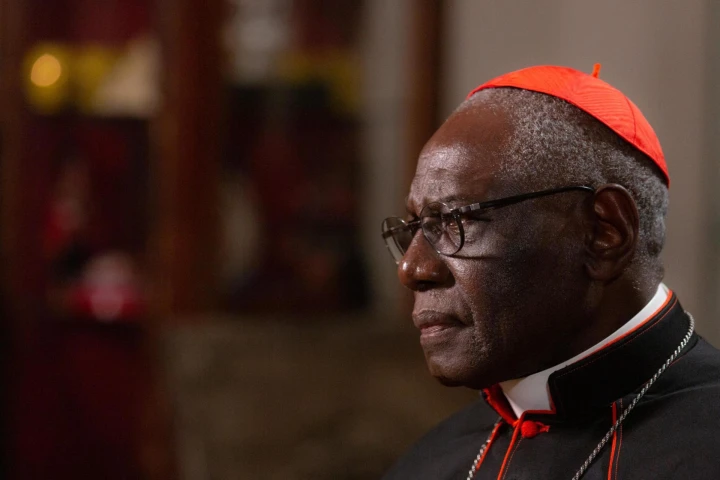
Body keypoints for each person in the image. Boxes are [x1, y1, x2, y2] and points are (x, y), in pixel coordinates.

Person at [380, 65, 720, 479]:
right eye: (415, 227)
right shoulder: (430, 462)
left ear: (604, 232)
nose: (412, 268)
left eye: (456, 220)